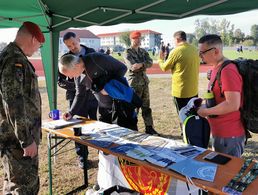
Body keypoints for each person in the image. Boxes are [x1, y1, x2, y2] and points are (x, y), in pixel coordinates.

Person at [0, 21, 45, 194]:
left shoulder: (9, 55)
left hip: (12, 136)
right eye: (38, 46)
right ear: (33, 39)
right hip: (17, 140)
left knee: (13, 182)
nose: (36, 50)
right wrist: (26, 140)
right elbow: (14, 103)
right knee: (24, 186)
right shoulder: (14, 60)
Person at [59, 52, 139, 130]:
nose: (69, 77)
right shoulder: (78, 76)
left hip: (122, 106)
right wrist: (71, 113)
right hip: (103, 109)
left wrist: (108, 86)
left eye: (69, 74)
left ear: (76, 66)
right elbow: (80, 95)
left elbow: (122, 68)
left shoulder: (97, 59)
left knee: (128, 136)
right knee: (107, 139)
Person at [197, 34, 245, 157]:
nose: (200, 55)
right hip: (221, 133)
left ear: (216, 51)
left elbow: (232, 104)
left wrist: (206, 111)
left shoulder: (227, 71)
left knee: (226, 174)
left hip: (228, 135)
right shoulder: (216, 69)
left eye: (202, 52)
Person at [59, 32, 98, 169]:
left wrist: (88, 86)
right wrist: (77, 86)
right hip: (75, 99)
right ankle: (82, 158)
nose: (72, 47)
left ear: (79, 40)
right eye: (69, 46)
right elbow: (60, 81)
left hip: (94, 98)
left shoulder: (92, 53)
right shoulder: (65, 59)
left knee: (98, 127)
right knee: (78, 129)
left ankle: (103, 155)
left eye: (74, 43)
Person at [124, 31, 159, 135]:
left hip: (144, 82)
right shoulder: (127, 52)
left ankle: (149, 127)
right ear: (131, 39)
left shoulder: (143, 51)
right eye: (136, 38)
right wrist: (142, 65)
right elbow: (132, 67)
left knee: (146, 107)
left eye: (139, 38)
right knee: (134, 108)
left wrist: (141, 64)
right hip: (134, 84)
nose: (138, 40)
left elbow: (150, 62)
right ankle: (133, 129)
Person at [158, 31, 200, 114]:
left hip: (181, 92)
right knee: (193, 115)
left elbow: (164, 67)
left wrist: (160, 59)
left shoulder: (176, 51)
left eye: (174, 40)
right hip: (193, 90)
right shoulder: (195, 49)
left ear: (177, 39)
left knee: (183, 116)